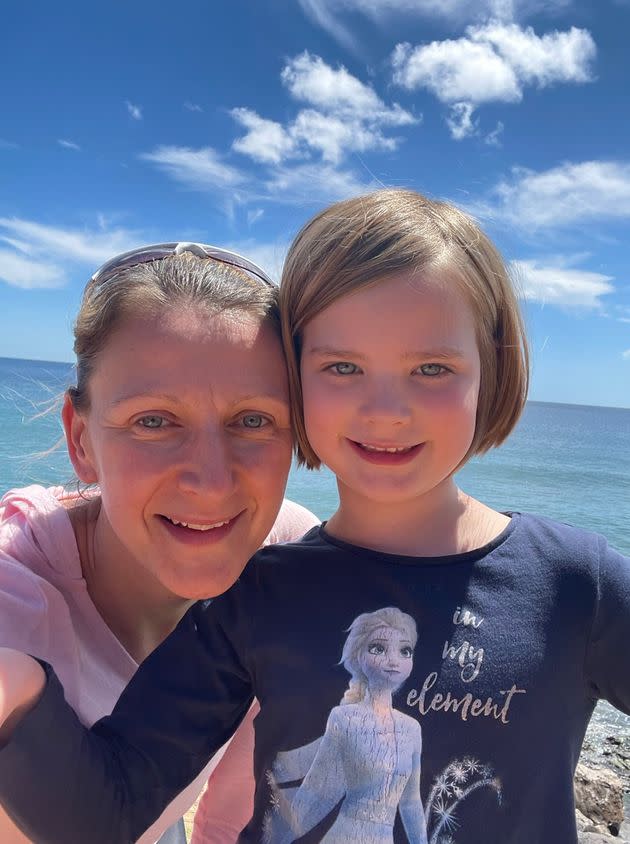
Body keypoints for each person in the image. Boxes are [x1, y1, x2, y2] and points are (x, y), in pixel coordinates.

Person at [0, 190, 629, 844]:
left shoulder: (576, 584)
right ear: (297, 386)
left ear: (490, 374)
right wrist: (19, 695)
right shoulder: (259, 594)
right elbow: (110, 812)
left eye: (432, 368)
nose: (386, 409)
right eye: (343, 367)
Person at [0, 242, 318, 844]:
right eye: (153, 421)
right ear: (81, 441)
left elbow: (243, 784)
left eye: (253, 420)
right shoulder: (15, 600)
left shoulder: (287, 557)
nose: (210, 482)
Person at [265, 607, 427, 843]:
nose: (393, 660)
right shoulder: (344, 718)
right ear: (358, 656)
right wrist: (282, 839)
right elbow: (318, 788)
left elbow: (411, 803)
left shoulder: (412, 728)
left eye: (404, 651)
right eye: (378, 648)